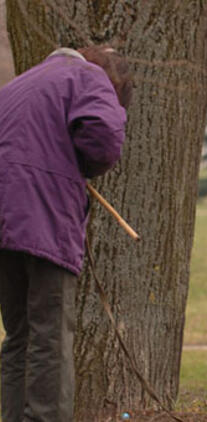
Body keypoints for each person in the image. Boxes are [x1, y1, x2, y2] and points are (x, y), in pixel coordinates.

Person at [0, 45, 131, 421]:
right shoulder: (88, 76)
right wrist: (83, 166)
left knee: (19, 336)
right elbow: (104, 137)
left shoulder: (17, 86)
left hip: (5, 222)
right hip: (42, 218)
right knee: (50, 334)